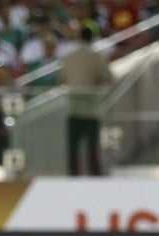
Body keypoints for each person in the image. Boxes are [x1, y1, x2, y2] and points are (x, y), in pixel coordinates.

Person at [59, 22, 113, 175]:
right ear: (92, 39)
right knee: (91, 145)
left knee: (73, 145)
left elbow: (62, 78)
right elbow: (108, 76)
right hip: (90, 108)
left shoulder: (69, 56)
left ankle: (73, 174)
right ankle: (94, 175)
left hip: (73, 107)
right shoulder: (96, 56)